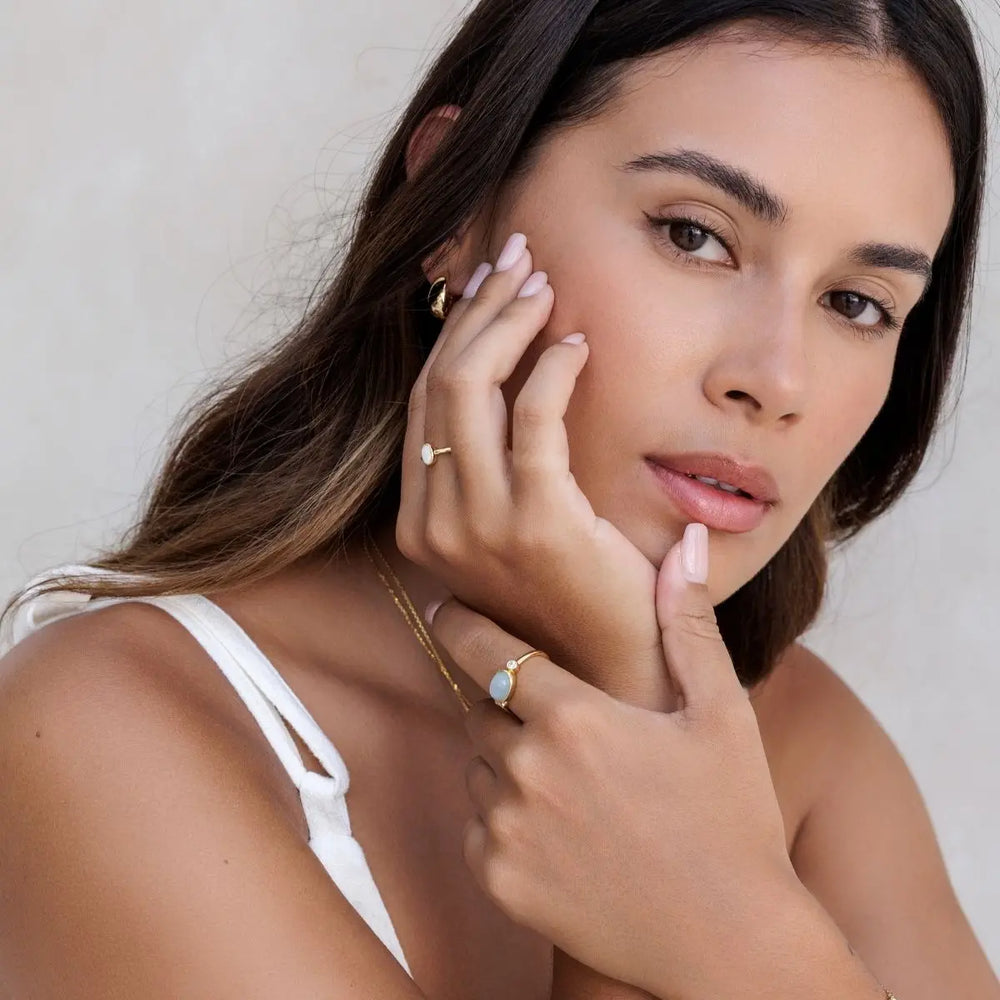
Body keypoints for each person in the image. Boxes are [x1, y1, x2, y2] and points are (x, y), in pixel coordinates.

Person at [0, 0, 997, 996]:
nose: (776, 380)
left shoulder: (810, 743)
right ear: (457, 207)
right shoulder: (101, 726)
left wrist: (734, 926)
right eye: (694, 234)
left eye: (857, 303)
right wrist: (640, 763)